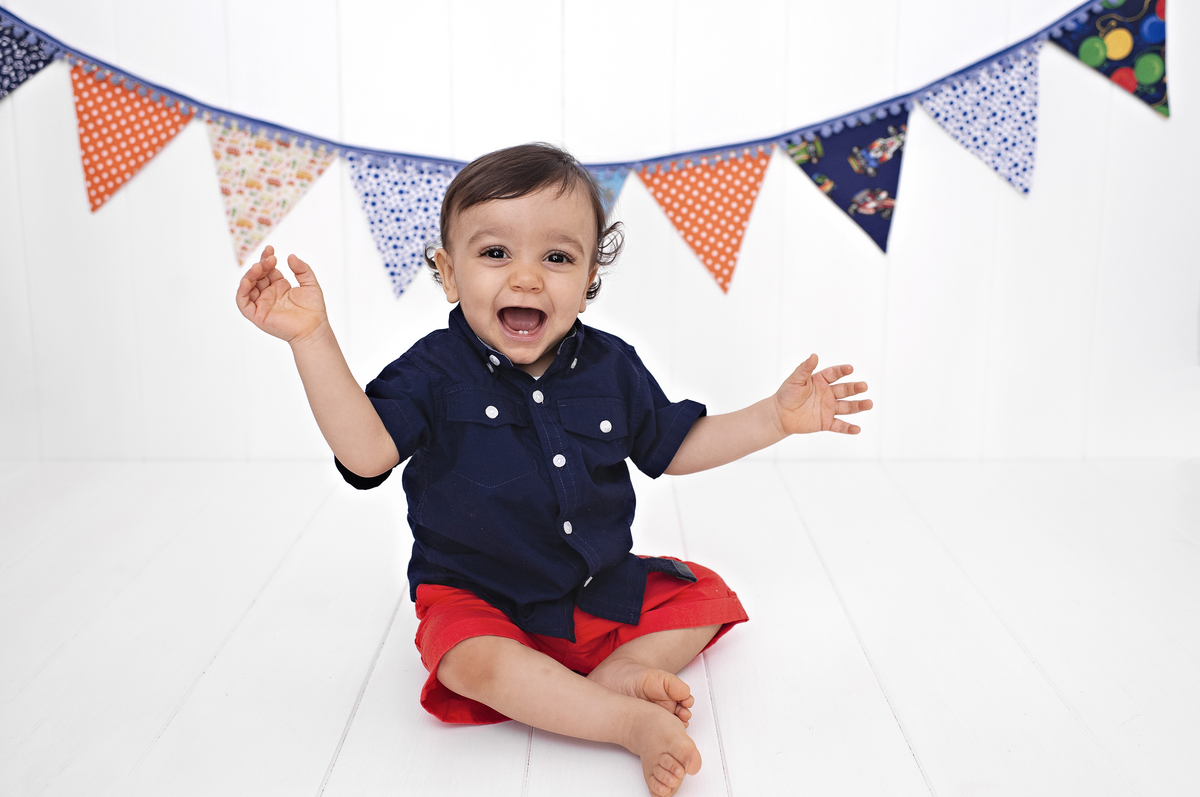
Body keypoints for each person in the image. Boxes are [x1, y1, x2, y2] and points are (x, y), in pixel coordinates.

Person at [235, 143, 871, 797]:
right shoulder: (432, 371)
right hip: (476, 594)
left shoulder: (612, 366)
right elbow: (365, 452)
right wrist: (311, 338)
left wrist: (775, 417)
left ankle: (626, 669)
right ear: (449, 274)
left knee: (705, 595)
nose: (528, 277)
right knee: (468, 660)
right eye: (495, 253)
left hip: (589, 588)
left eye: (557, 257)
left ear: (589, 280)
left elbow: (675, 447)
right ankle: (618, 718)